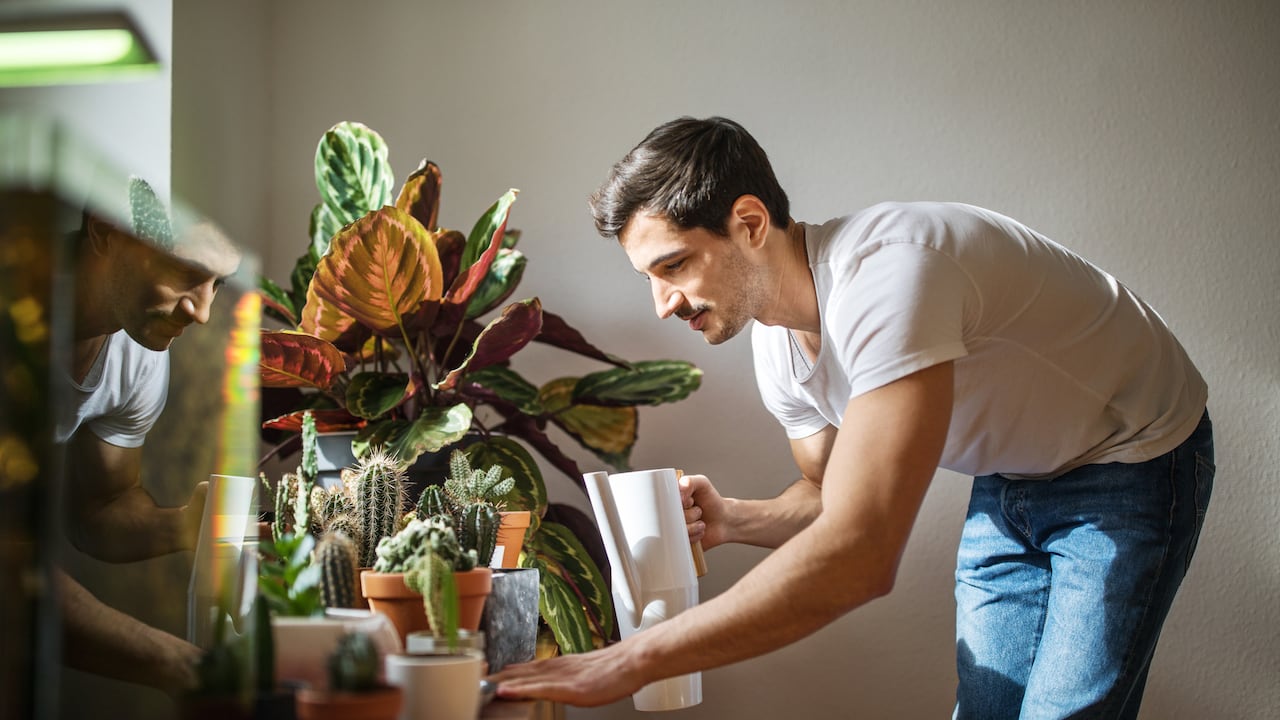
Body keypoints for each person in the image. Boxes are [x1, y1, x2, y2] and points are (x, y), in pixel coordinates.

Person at [492, 117, 1214, 719]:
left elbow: (861, 551)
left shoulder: (890, 275)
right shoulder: (778, 346)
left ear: (748, 223)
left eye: (674, 266)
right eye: (649, 278)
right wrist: (735, 519)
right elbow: (829, 496)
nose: (662, 304)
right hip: (1010, 478)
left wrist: (634, 657)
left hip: (1133, 454)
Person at [55, 188, 241, 695]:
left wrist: (183, 528)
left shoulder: (137, 353)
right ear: (104, 228)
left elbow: (100, 507)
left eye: (218, 284)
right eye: (186, 271)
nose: (202, 312)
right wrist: (188, 669)